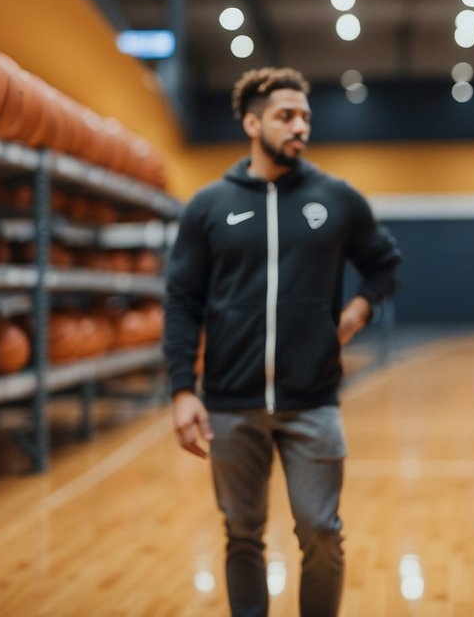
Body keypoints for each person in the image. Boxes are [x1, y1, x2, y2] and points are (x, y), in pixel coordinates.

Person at [164, 66, 401, 617]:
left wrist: (355, 313)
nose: (300, 127)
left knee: (321, 531)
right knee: (242, 535)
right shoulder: (208, 206)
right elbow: (181, 301)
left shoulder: (337, 198)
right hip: (229, 402)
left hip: (311, 400)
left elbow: (384, 265)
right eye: (285, 116)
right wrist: (181, 389)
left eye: (305, 118)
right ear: (252, 123)